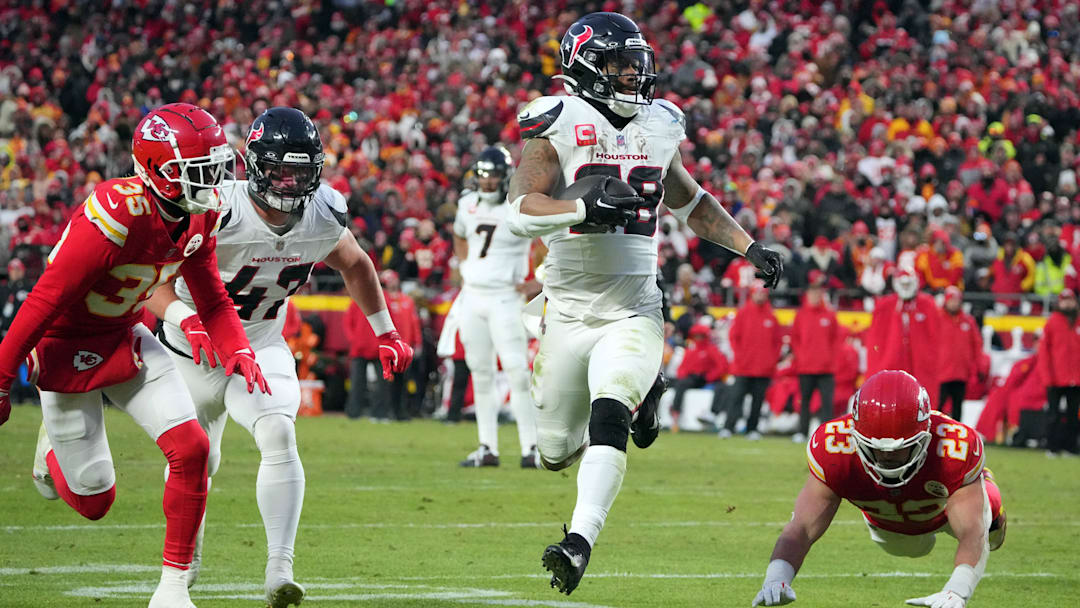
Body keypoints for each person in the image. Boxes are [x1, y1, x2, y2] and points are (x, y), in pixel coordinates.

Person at [505, 11, 783, 595]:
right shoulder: (557, 120)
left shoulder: (659, 125)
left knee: (610, 409)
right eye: (618, 65)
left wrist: (748, 246)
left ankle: (578, 543)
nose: (633, 75)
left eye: (637, 64)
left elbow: (692, 202)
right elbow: (521, 211)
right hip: (567, 309)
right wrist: (583, 209)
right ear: (584, 64)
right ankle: (645, 395)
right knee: (554, 452)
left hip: (634, 306)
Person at [0, 103, 270, 608]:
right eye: (200, 171)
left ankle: (171, 592)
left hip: (125, 335)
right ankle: (50, 456)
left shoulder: (199, 215)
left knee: (193, 449)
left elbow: (211, 295)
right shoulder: (118, 212)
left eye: (216, 166)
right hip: (67, 345)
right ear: (160, 172)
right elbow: (45, 298)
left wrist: (238, 346)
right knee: (95, 500)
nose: (214, 182)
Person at [146, 107, 412, 607]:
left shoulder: (324, 212)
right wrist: (187, 318)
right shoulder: (214, 207)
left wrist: (386, 330)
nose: (290, 183)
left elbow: (355, 262)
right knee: (196, 460)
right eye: (279, 169)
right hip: (189, 352)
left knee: (278, 431)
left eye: (301, 170)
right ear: (253, 164)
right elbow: (152, 286)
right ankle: (183, 568)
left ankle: (279, 569)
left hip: (260, 345)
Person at [752, 370, 1006, 608]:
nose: (886, 456)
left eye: (898, 448)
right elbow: (803, 527)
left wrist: (957, 590)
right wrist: (776, 576)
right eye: (875, 447)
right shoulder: (834, 448)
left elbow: (973, 532)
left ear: (924, 434)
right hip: (887, 523)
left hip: (941, 511)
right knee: (910, 548)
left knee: (984, 510)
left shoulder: (952, 448)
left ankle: (988, 491)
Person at [453, 145, 540, 468]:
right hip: (473, 296)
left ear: (506, 178)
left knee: (518, 371)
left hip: (506, 296)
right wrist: (465, 266)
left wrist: (539, 280)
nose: (488, 183)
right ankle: (487, 447)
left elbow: (550, 241)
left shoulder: (519, 207)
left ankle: (531, 448)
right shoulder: (466, 204)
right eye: (483, 177)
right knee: (481, 373)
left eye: (494, 177)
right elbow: (459, 234)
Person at [864, 268, 942, 403]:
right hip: (892, 365)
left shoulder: (927, 304)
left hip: (921, 367)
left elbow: (937, 338)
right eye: (903, 284)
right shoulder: (885, 305)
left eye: (908, 284)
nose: (905, 287)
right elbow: (875, 339)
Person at [718, 281, 781, 440]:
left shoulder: (771, 316)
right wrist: (740, 356)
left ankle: (752, 428)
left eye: (762, 293)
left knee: (757, 401)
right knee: (736, 398)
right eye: (757, 292)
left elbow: (777, 342)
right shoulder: (743, 313)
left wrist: (771, 361)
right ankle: (728, 427)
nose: (760, 295)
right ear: (752, 293)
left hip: (763, 368)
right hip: (743, 367)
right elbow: (734, 337)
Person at [790, 270, 842, 442]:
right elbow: (795, 339)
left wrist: (831, 359)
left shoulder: (829, 315)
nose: (815, 295)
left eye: (818, 291)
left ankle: (826, 434)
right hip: (806, 367)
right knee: (804, 401)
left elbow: (836, 339)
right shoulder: (801, 315)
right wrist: (801, 356)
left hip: (826, 368)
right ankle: (801, 432)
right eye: (812, 291)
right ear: (807, 294)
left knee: (827, 403)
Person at [1036, 288, 1080, 456]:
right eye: (1065, 300)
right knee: (1053, 414)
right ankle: (1052, 447)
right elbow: (1044, 353)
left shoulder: (1077, 321)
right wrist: (1047, 377)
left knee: (1073, 415)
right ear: (1059, 303)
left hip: (1076, 378)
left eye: (1071, 300)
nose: (1068, 303)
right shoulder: (1052, 322)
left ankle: (1070, 447)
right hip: (1056, 377)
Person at [938, 287, 981, 422]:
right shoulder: (937, 318)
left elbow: (977, 344)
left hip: (961, 373)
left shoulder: (968, 321)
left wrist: (975, 367)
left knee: (958, 409)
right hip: (941, 373)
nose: (954, 303)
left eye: (956, 300)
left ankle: (956, 438)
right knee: (937, 407)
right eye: (951, 300)